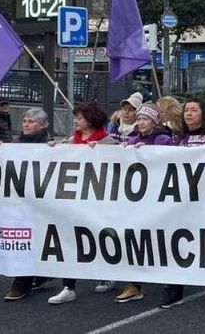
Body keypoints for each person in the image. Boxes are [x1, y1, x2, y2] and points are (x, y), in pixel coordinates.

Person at [48, 101, 117, 305]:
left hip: (97, 201)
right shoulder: (72, 141)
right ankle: (69, 286)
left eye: (79, 117)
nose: (76, 121)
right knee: (69, 240)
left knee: (99, 237)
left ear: (90, 119)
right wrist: (52, 148)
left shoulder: (108, 142)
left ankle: (107, 273)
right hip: (73, 202)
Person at [161, 98, 205, 308]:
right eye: (186, 110)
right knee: (177, 240)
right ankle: (175, 288)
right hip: (181, 200)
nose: (188, 113)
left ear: (203, 114)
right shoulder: (178, 138)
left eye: (193, 110)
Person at [113, 103, 174, 304]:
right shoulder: (132, 140)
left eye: (145, 119)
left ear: (155, 122)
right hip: (137, 200)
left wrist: (150, 151)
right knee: (133, 239)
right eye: (139, 119)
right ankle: (134, 284)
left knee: (162, 241)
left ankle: (171, 282)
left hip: (160, 200)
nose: (140, 122)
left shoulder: (165, 140)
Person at [1, 108, 53, 301]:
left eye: (31, 121)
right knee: (24, 239)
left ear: (43, 125)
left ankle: (28, 281)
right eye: (24, 120)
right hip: (20, 201)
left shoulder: (50, 145)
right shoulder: (15, 143)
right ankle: (24, 281)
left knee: (38, 238)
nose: (25, 124)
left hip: (41, 201)